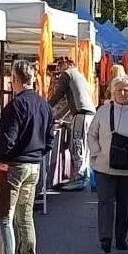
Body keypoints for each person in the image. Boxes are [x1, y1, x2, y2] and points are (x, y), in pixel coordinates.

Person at [0, 61, 54, 254]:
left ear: (15, 80)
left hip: (14, 166)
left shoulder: (15, 106)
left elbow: (7, 140)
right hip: (33, 165)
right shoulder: (44, 105)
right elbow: (49, 140)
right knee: (25, 216)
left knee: (4, 216)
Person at [88, 75, 128, 253]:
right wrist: (96, 152)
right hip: (104, 166)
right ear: (113, 91)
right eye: (120, 89)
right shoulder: (103, 111)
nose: (123, 93)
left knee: (124, 204)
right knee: (105, 202)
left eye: (127, 89)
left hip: (127, 169)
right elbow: (92, 133)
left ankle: (121, 237)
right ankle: (105, 238)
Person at [48, 57, 96, 190]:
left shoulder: (68, 74)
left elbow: (59, 94)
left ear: (66, 64)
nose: (58, 70)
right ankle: (82, 175)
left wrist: (45, 107)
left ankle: (80, 178)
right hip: (88, 113)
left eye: (59, 66)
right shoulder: (80, 76)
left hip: (81, 115)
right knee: (84, 147)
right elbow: (71, 103)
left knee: (77, 144)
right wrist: (58, 116)